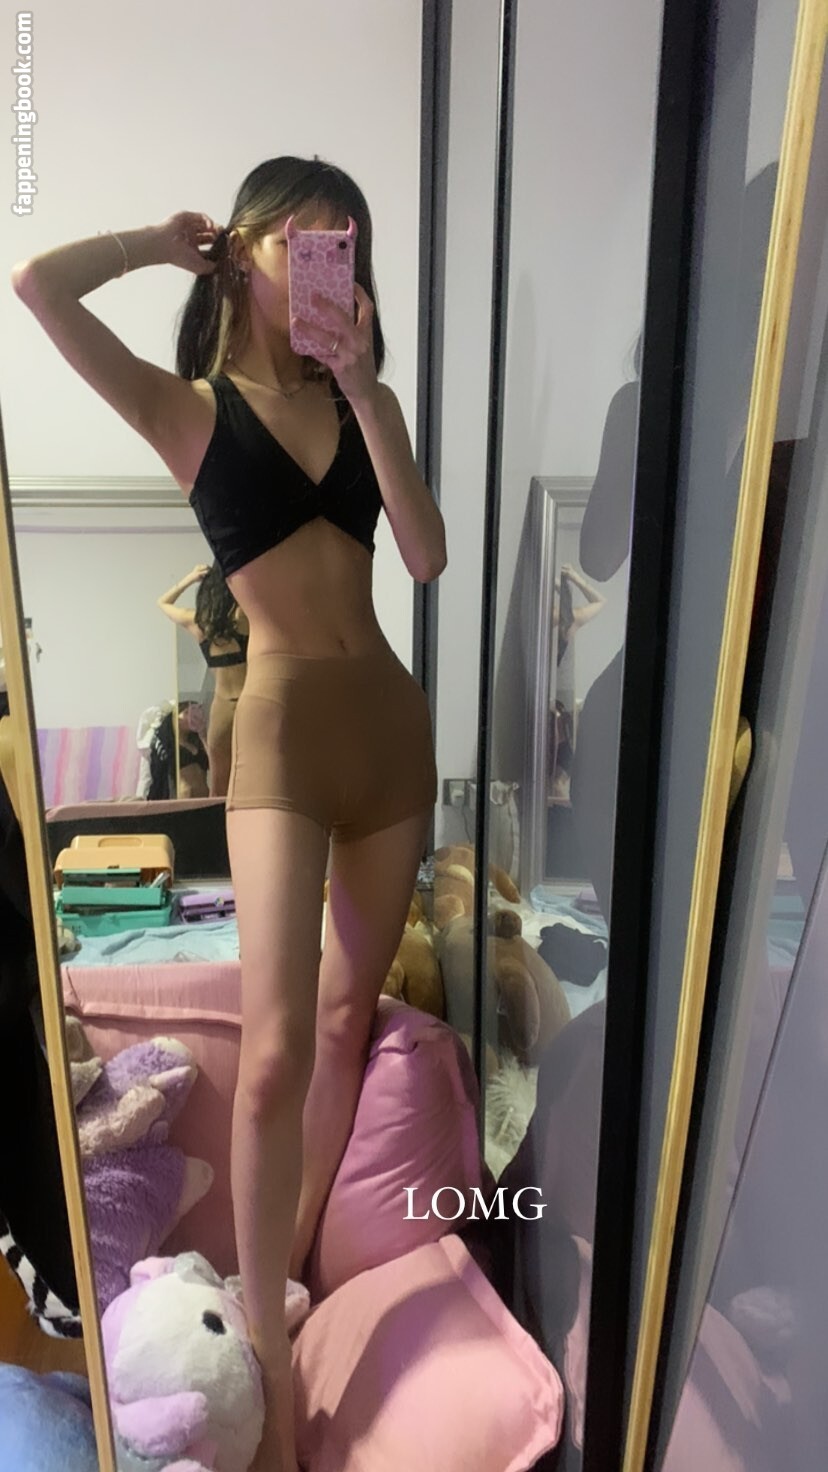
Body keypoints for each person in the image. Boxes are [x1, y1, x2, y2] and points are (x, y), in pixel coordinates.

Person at [12, 155, 445, 1472]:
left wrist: (366, 390)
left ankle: (289, 1265)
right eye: (302, 240)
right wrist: (159, 243)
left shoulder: (366, 400)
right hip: (282, 737)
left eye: (345, 245)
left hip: (391, 733)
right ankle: (267, 1357)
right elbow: (37, 286)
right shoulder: (189, 410)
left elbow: (425, 553)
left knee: (344, 1021)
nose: (327, 264)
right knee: (271, 1054)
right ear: (246, 251)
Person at [157, 561, 249, 796]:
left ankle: (220, 821)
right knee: (258, 776)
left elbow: (163, 602)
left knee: (219, 785)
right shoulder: (243, 616)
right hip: (251, 701)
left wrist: (191, 577)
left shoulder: (198, 622)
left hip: (222, 709)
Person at [147, 700, 210, 800]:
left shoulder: (198, 744)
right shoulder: (170, 747)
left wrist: (203, 734)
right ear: (175, 720)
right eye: (186, 713)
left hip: (206, 798)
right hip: (186, 797)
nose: (190, 717)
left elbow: (214, 762)